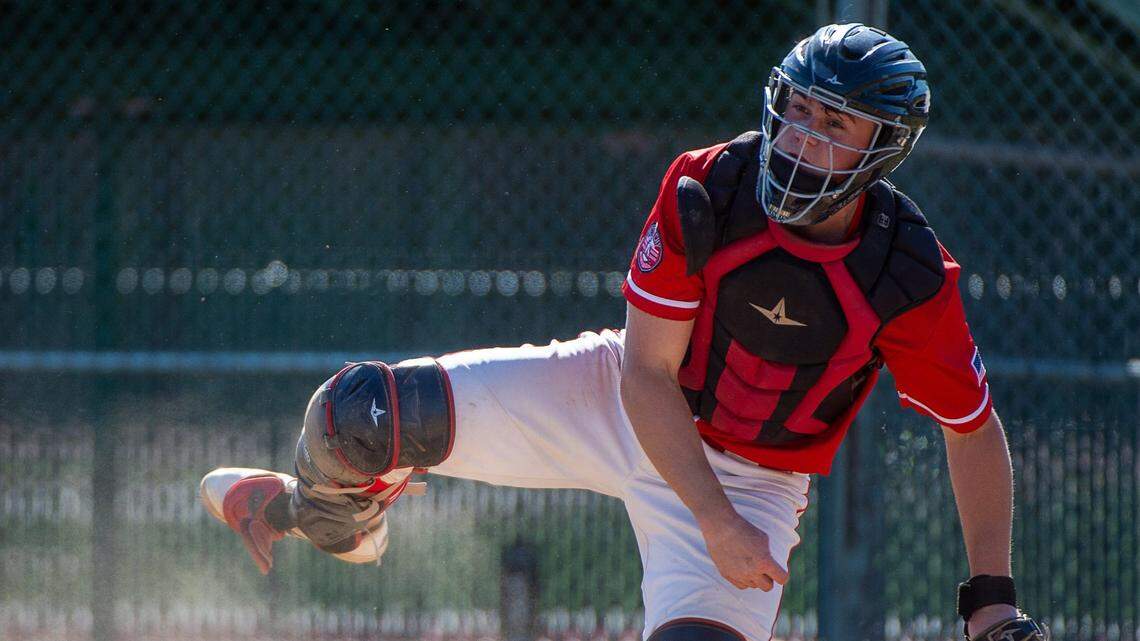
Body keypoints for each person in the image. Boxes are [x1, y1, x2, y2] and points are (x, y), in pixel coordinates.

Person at [200, 24, 1048, 641]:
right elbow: (646, 375)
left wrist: (991, 598)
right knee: (356, 417)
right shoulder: (708, 188)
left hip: (756, 480)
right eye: (796, 111)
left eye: (836, 127)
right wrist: (713, 520)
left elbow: (970, 430)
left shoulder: (905, 271)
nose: (802, 139)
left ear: (885, 149)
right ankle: (330, 513)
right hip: (621, 399)